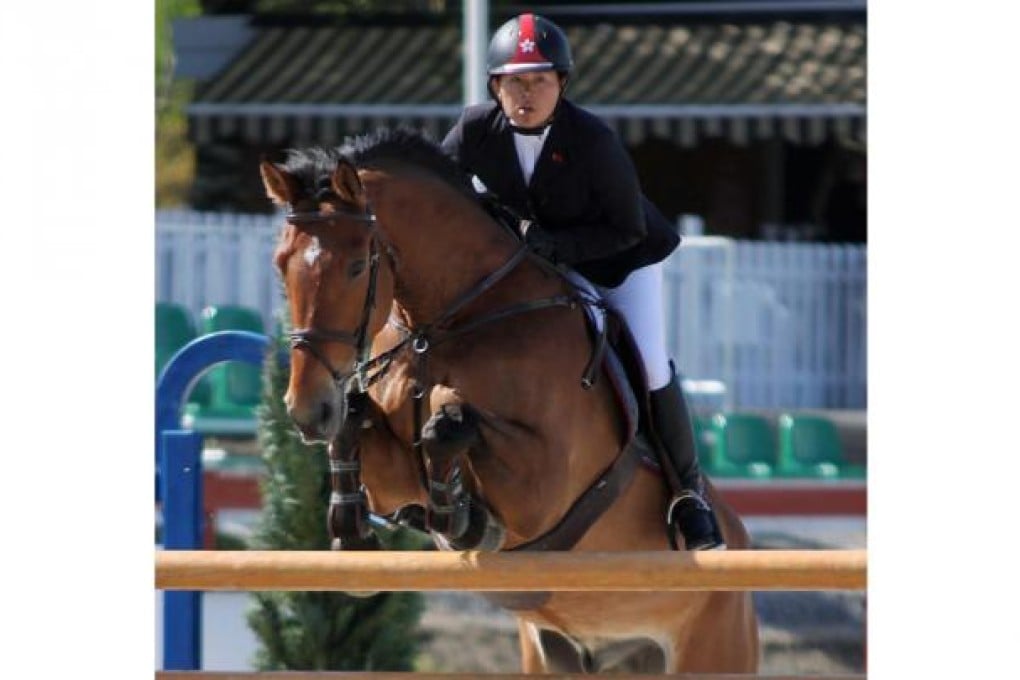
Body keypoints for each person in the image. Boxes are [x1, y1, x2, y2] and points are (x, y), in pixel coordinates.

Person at [441, 13, 724, 550]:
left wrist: (558, 247)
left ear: (561, 84)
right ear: (495, 86)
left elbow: (626, 228)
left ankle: (689, 495)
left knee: (649, 362)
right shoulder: (475, 130)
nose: (527, 92)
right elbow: (439, 196)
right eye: (515, 81)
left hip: (618, 260)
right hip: (537, 266)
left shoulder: (593, 141)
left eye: (540, 80)